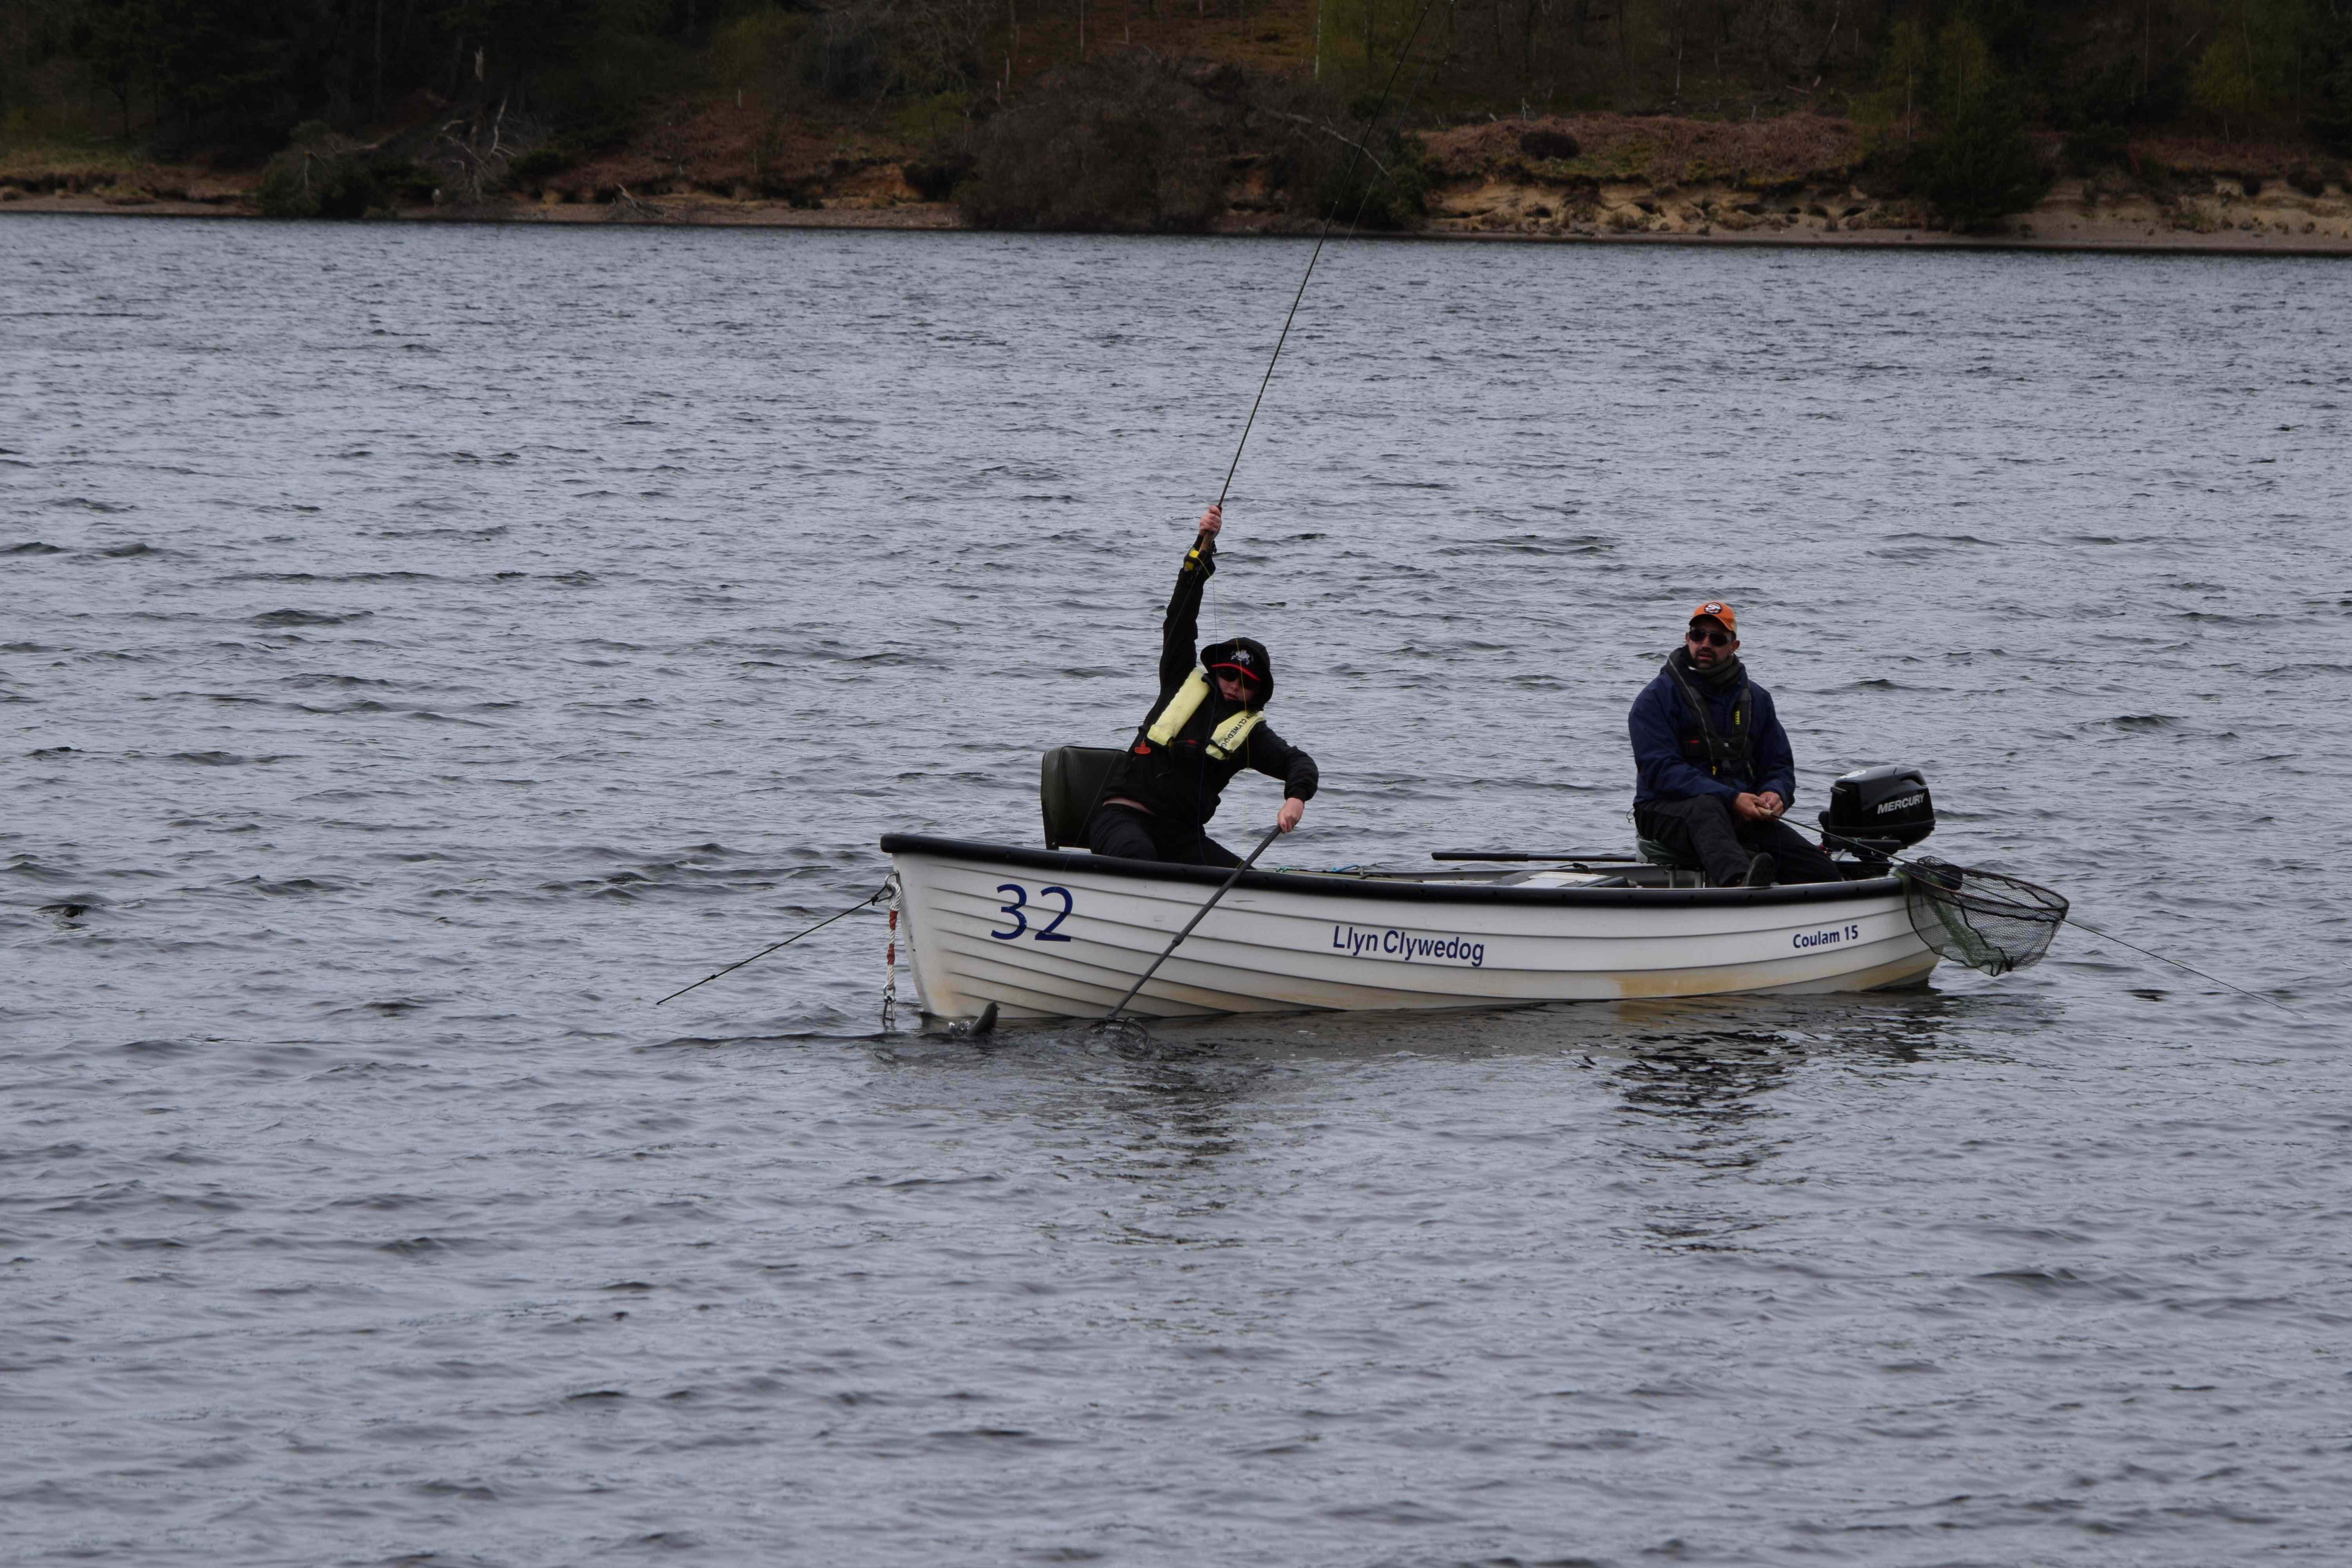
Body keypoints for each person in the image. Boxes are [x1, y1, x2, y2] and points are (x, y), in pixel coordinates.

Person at [1087, 504, 1318, 866]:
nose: (1232, 686)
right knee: (1138, 855)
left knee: (1248, 882)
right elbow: (1179, 618)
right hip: (1121, 820)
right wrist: (1201, 548)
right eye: (1228, 675)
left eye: (1245, 683)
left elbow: (1298, 762)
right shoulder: (1179, 680)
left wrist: (1296, 798)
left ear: (1257, 693)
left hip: (1183, 837)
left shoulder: (1251, 735)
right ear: (1216, 673)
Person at [1628, 599, 1843, 888]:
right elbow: (1661, 771)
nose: (1705, 644)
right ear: (1687, 638)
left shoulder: (1758, 700)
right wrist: (1731, 798)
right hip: (1663, 811)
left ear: (1734, 646)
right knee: (1705, 808)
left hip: (1741, 814)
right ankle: (1742, 885)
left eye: (1717, 639)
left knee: (1823, 874)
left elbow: (1779, 765)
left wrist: (1775, 793)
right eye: (1697, 635)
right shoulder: (1654, 699)